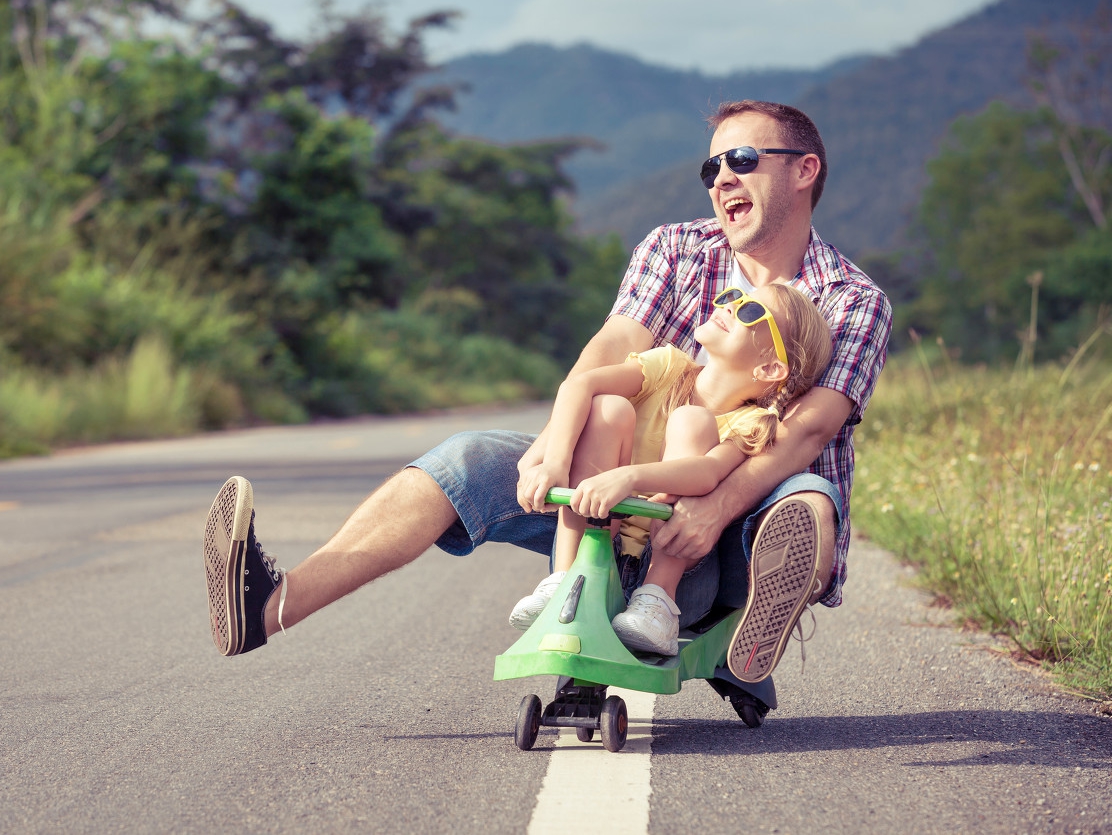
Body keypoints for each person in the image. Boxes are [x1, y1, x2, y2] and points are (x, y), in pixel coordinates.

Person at [201, 99, 892, 700]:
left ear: (804, 170)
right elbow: (608, 351)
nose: (721, 180)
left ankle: (748, 623)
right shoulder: (678, 248)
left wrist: (710, 510)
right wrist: (555, 449)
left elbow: (806, 430)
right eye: (711, 168)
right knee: (467, 458)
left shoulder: (850, 301)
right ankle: (267, 606)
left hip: (730, 533)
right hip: (619, 507)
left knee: (805, 494)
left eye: (742, 159)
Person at [510, 284, 832, 658]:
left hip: (675, 571)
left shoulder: (755, 422)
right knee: (607, 409)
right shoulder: (667, 366)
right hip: (596, 549)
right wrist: (555, 462)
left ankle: (657, 601)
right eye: (733, 297)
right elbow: (580, 384)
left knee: (691, 422)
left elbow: (708, 473)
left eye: (750, 313)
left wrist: (631, 477)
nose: (729, 307)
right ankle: (563, 581)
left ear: (770, 368)